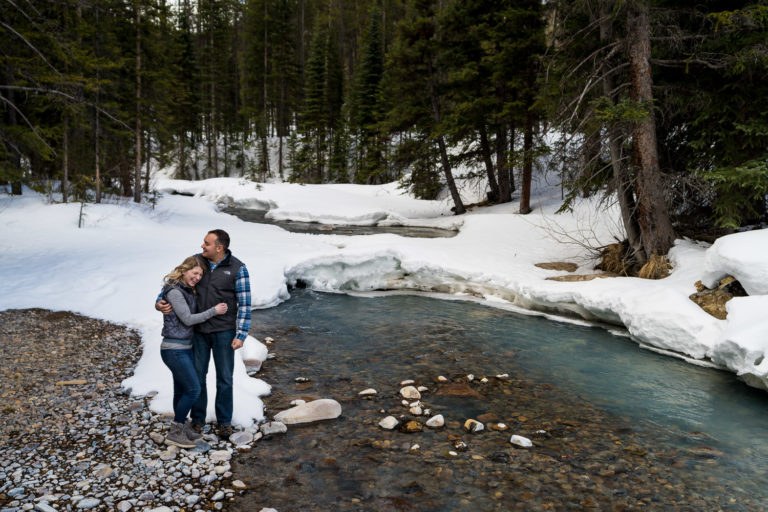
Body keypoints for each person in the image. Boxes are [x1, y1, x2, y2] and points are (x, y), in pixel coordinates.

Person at [156, 229, 251, 439]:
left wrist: (241, 333)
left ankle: (224, 421)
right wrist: (159, 302)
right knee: (198, 378)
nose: (202, 246)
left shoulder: (238, 268)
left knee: (224, 378)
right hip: (197, 332)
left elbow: (245, 304)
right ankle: (197, 420)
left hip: (224, 332)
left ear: (219, 247)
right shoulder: (197, 262)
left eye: (206, 243)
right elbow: (172, 282)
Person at [159, 256, 228, 448]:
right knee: (193, 389)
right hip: (174, 349)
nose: (197, 277)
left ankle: (183, 427)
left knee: (181, 390)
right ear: (184, 270)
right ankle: (175, 431)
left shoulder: (186, 290)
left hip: (184, 348)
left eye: (200, 275)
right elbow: (188, 319)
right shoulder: (175, 292)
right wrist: (214, 311)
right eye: (195, 273)